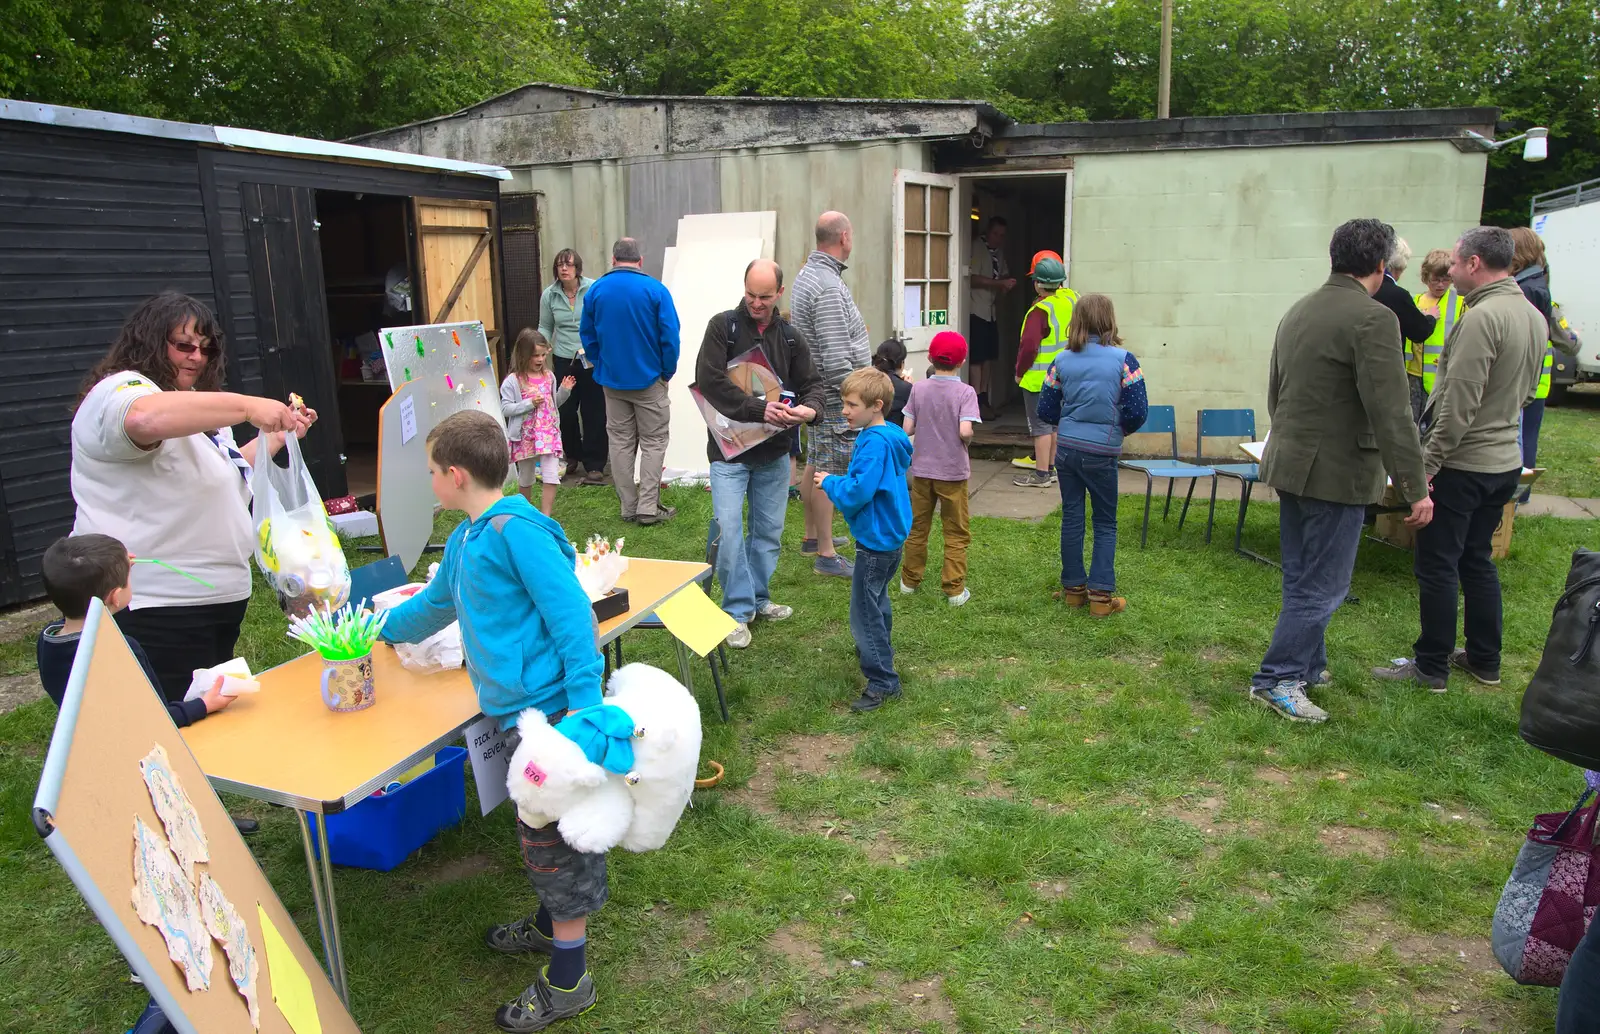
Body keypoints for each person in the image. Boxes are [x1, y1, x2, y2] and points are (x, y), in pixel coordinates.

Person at [376, 410, 607, 1032]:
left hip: (554, 714)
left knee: (554, 843)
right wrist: (374, 629)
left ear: (454, 475)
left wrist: (584, 713)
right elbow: (434, 605)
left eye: (430, 472)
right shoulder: (466, 540)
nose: (428, 481)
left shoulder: (517, 533)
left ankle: (569, 978)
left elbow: (571, 619)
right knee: (537, 828)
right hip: (517, 714)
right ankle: (545, 925)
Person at [70, 291, 313, 705]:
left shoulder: (198, 413)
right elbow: (143, 418)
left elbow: (224, 477)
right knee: (165, 731)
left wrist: (274, 438)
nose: (197, 357)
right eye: (183, 345)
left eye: (206, 348)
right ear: (148, 341)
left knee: (204, 725)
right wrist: (246, 406)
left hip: (211, 603)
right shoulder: (119, 391)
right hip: (155, 608)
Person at [1248, 219, 1432, 724]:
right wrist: (1416, 487)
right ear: (1381, 266)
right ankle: (1278, 679)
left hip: (1291, 461)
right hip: (1337, 471)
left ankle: (1307, 664)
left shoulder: (1299, 308)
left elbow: (1276, 390)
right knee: (1323, 585)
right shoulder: (1373, 319)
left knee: (1303, 576)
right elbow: (1392, 411)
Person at [1372, 226, 1544, 693]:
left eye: (1456, 263)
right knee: (1477, 561)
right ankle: (1486, 660)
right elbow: (1529, 391)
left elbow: (1457, 402)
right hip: (1505, 459)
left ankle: (1431, 667)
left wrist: (1427, 466)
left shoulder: (1483, 317)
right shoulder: (1530, 314)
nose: (1449, 271)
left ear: (1472, 264)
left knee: (1437, 564)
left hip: (1464, 464)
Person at [693, 259, 823, 648]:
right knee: (729, 532)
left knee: (768, 533)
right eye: (750, 294)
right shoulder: (722, 327)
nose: (756, 302)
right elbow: (709, 380)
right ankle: (736, 612)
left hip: (774, 454)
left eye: (765, 296)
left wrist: (810, 410)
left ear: (779, 293)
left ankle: (758, 598)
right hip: (728, 455)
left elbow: (813, 384)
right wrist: (757, 409)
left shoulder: (791, 338)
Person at [36, 533, 232, 724]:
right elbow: (155, 717)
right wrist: (204, 705)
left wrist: (115, 570)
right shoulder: (122, 649)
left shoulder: (49, 639)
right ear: (116, 596)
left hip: (85, 739)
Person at [1036, 293, 1148, 617]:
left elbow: (1046, 408)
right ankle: (1101, 597)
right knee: (1105, 522)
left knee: (1072, 516)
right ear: (1110, 320)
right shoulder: (1125, 360)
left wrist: (1069, 425)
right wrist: (1118, 431)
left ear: (1078, 320)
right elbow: (1138, 410)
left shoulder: (1061, 360)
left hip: (1068, 450)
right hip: (1102, 452)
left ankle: (1073, 590)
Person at [816, 368, 912, 712]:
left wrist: (829, 482)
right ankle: (879, 650)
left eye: (851, 404)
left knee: (864, 612)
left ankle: (883, 680)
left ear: (876, 406)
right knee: (876, 599)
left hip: (875, 540)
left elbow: (858, 492)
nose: (844, 410)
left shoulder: (872, 443)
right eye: (844, 403)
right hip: (890, 537)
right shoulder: (891, 434)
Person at [791, 211, 872, 575]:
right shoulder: (825, 284)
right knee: (827, 470)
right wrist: (856, 395)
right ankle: (826, 555)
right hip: (833, 392)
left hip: (818, 390)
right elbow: (837, 354)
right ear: (843, 237)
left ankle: (812, 537)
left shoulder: (811, 274)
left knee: (814, 463)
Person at [579, 237, 681, 525]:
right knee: (653, 441)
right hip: (649, 380)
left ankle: (628, 507)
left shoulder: (596, 290)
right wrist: (666, 371)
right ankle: (648, 507)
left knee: (621, 443)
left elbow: (588, 336)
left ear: (613, 260)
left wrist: (601, 364)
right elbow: (670, 336)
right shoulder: (655, 290)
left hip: (612, 382)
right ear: (640, 260)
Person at [899, 331, 980, 606]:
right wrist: (966, 440)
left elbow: (907, 428)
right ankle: (954, 590)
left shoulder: (918, 388)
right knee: (955, 531)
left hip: (921, 471)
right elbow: (965, 430)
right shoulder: (966, 392)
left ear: (931, 358)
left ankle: (909, 582)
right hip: (953, 472)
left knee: (918, 526)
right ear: (963, 360)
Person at [539, 249, 605, 484]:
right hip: (563, 358)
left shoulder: (594, 289)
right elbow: (545, 326)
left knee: (593, 410)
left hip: (591, 358)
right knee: (565, 410)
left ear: (578, 267)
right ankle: (572, 456)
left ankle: (595, 464)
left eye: (568, 265)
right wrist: (540, 347)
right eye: (559, 265)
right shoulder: (550, 295)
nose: (563, 269)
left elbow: (602, 321)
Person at [1011, 257, 1078, 488]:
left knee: (1040, 428)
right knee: (1056, 425)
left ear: (1038, 283)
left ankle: (1041, 475)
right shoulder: (1072, 299)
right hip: (1066, 377)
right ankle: (1051, 470)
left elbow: (1029, 346)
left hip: (1038, 380)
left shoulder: (1039, 310)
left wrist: (1019, 372)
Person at [502, 329, 577, 516]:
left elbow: (553, 404)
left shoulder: (549, 376)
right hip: (525, 436)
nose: (540, 359)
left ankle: (545, 517)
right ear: (523, 355)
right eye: (535, 355)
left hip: (548, 433)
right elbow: (505, 409)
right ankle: (525, 514)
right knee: (526, 477)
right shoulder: (513, 381)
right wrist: (528, 404)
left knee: (551, 476)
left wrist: (564, 391)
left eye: (543, 355)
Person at [1509, 226, 1556, 504]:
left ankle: (1517, 495)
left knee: (1521, 438)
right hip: (1533, 378)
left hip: (1526, 379)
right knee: (1526, 436)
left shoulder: (1528, 289)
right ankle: (1519, 494)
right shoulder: (1537, 284)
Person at [968, 216, 1015, 417]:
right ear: (988, 231)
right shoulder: (976, 248)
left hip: (991, 312)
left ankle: (984, 398)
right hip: (976, 309)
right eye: (995, 233)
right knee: (977, 358)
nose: (998, 238)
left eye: (1002, 235)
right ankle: (976, 400)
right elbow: (972, 278)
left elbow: (1001, 275)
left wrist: (1007, 283)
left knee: (989, 357)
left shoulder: (999, 253)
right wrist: (998, 285)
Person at [1412, 248, 1466, 423]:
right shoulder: (1416, 301)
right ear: (1426, 277)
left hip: (1445, 374)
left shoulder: (1460, 302)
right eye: (1435, 280)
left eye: (1446, 280)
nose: (1440, 285)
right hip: (1415, 374)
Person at [1372, 236, 1438, 352]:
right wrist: (1430, 317)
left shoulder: (1363, 288)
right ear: (1399, 267)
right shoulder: (1397, 295)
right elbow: (1419, 332)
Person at [872, 339, 912, 427]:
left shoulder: (867, 379)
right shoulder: (905, 388)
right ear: (902, 363)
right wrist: (908, 386)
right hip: (894, 435)